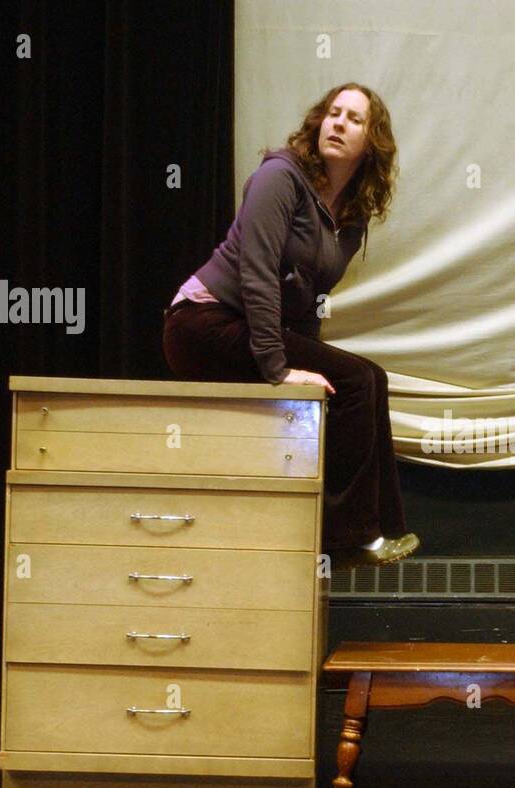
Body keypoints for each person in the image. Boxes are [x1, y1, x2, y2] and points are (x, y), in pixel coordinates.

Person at [162, 83, 418, 569]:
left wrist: (303, 358)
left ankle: (375, 532)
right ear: (319, 122)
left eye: (355, 119)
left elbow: (306, 303)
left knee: (367, 379)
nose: (339, 123)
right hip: (199, 321)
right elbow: (256, 273)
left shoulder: (351, 216)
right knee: (357, 380)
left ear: (372, 142)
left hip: (248, 326)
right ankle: (347, 539)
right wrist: (279, 367)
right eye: (334, 113)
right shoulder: (280, 177)